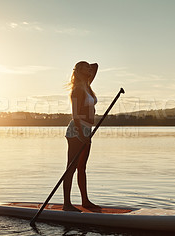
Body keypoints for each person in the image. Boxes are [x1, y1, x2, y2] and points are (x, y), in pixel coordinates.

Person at [63, 61, 101, 211]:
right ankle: (67, 204)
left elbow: (96, 65)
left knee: (82, 168)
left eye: (88, 67)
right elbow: (75, 116)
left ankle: (85, 201)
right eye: (85, 67)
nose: (89, 69)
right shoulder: (77, 90)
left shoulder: (87, 85)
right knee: (71, 168)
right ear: (79, 71)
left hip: (87, 130)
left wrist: (85, 69)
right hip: (76, 131)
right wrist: (81, 134)